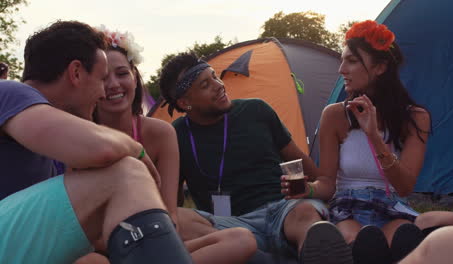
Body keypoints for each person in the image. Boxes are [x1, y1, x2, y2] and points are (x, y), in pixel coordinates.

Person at [0, 21, 192, 264]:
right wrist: (138, 151)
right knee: (125, 172)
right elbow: (101, 148)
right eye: (101, 78)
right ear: (76, 73)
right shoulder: (9, 91)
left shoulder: (51, 146)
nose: (103, 92)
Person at [75, 25, 256, 264]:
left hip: (156, 239)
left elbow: (169, 213)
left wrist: (151, 244)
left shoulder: (160, 133)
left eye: (121, 73)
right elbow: (81, 226)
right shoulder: (79, 137)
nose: (113, 85)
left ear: (134, 77)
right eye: (103, 77)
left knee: (242, 239)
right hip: (107, 248)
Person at [159, 52, 352, 264]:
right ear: (185, 102)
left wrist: (313, 190)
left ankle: (310, 250)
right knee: (174, 217)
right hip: (230, 226)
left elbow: (309, 171)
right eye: (205, 84)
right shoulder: (175, 136)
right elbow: (170, 203)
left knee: (305, 212)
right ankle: (284, 257)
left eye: (215, 76)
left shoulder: (256, 111)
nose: (218, 85)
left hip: (283, 211)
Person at [309, 20, 431, 264]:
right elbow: (327, 183)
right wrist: (308, 189)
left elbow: (405, 186)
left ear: (380, 67)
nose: (341, 69)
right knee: (362, 243)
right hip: (347, 205)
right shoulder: (334, 115)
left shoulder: (416, 118)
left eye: (352, 61)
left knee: (400, 239)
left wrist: (374, 136)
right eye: (342, 60)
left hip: (391, 206)